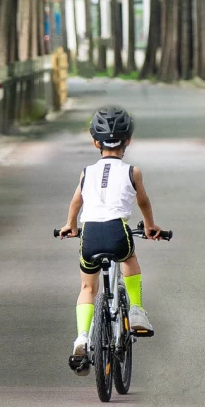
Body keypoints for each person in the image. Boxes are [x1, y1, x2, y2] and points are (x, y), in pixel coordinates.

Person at [57, 104, 164, 373]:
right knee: (129, 257)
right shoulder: (132, 172)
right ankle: (137, 309)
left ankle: (82, 337)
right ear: (127, 141)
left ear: (96, 142)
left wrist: (70, 226)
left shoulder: (87, 172)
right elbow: (144, 202)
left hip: (90, 234)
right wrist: (150, 227)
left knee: (88, 289)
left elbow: (75, 203)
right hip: (117, 232)